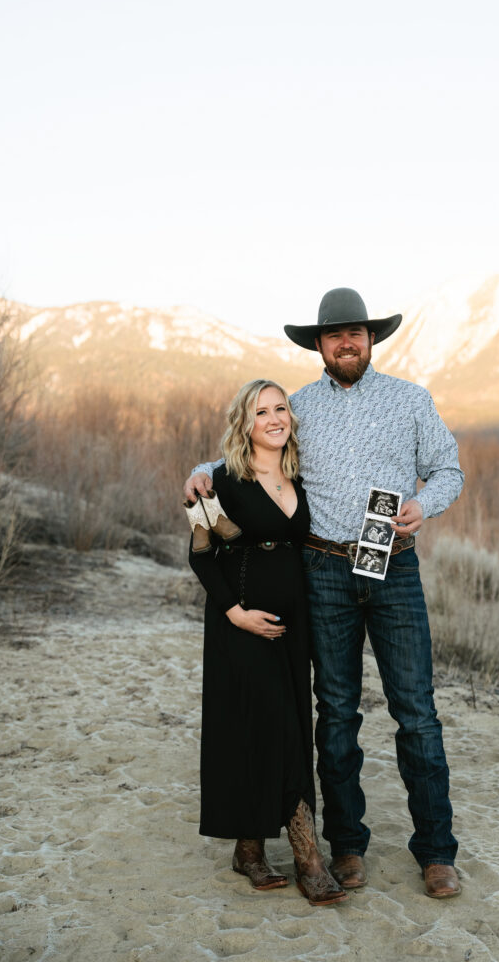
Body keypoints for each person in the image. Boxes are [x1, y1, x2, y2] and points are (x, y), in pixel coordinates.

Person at [184, 289, 465, 900]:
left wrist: (425, 504)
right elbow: (255, 447)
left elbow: (449, 468)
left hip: (393, 566)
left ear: (371, 339)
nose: (346, 343)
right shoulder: (301, 407)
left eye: (356, 333)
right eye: (335, 335)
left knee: (416, 712)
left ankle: (437, 852)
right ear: (319, 344)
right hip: (325, 573)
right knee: (335, 714)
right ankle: (348, 846)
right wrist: (201, 471)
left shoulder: (410, 400)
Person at [187, 378, 347, 907]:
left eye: (281, 408)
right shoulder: (221, 481)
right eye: (262, 412)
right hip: (242, 622)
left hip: (292, 624)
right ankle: (308, 858)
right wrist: (236, 614)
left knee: (288, 724)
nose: (275, 418)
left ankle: (249, 849)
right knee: (264, 726)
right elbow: (200, 552)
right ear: (245, 422)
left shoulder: (300, 474)